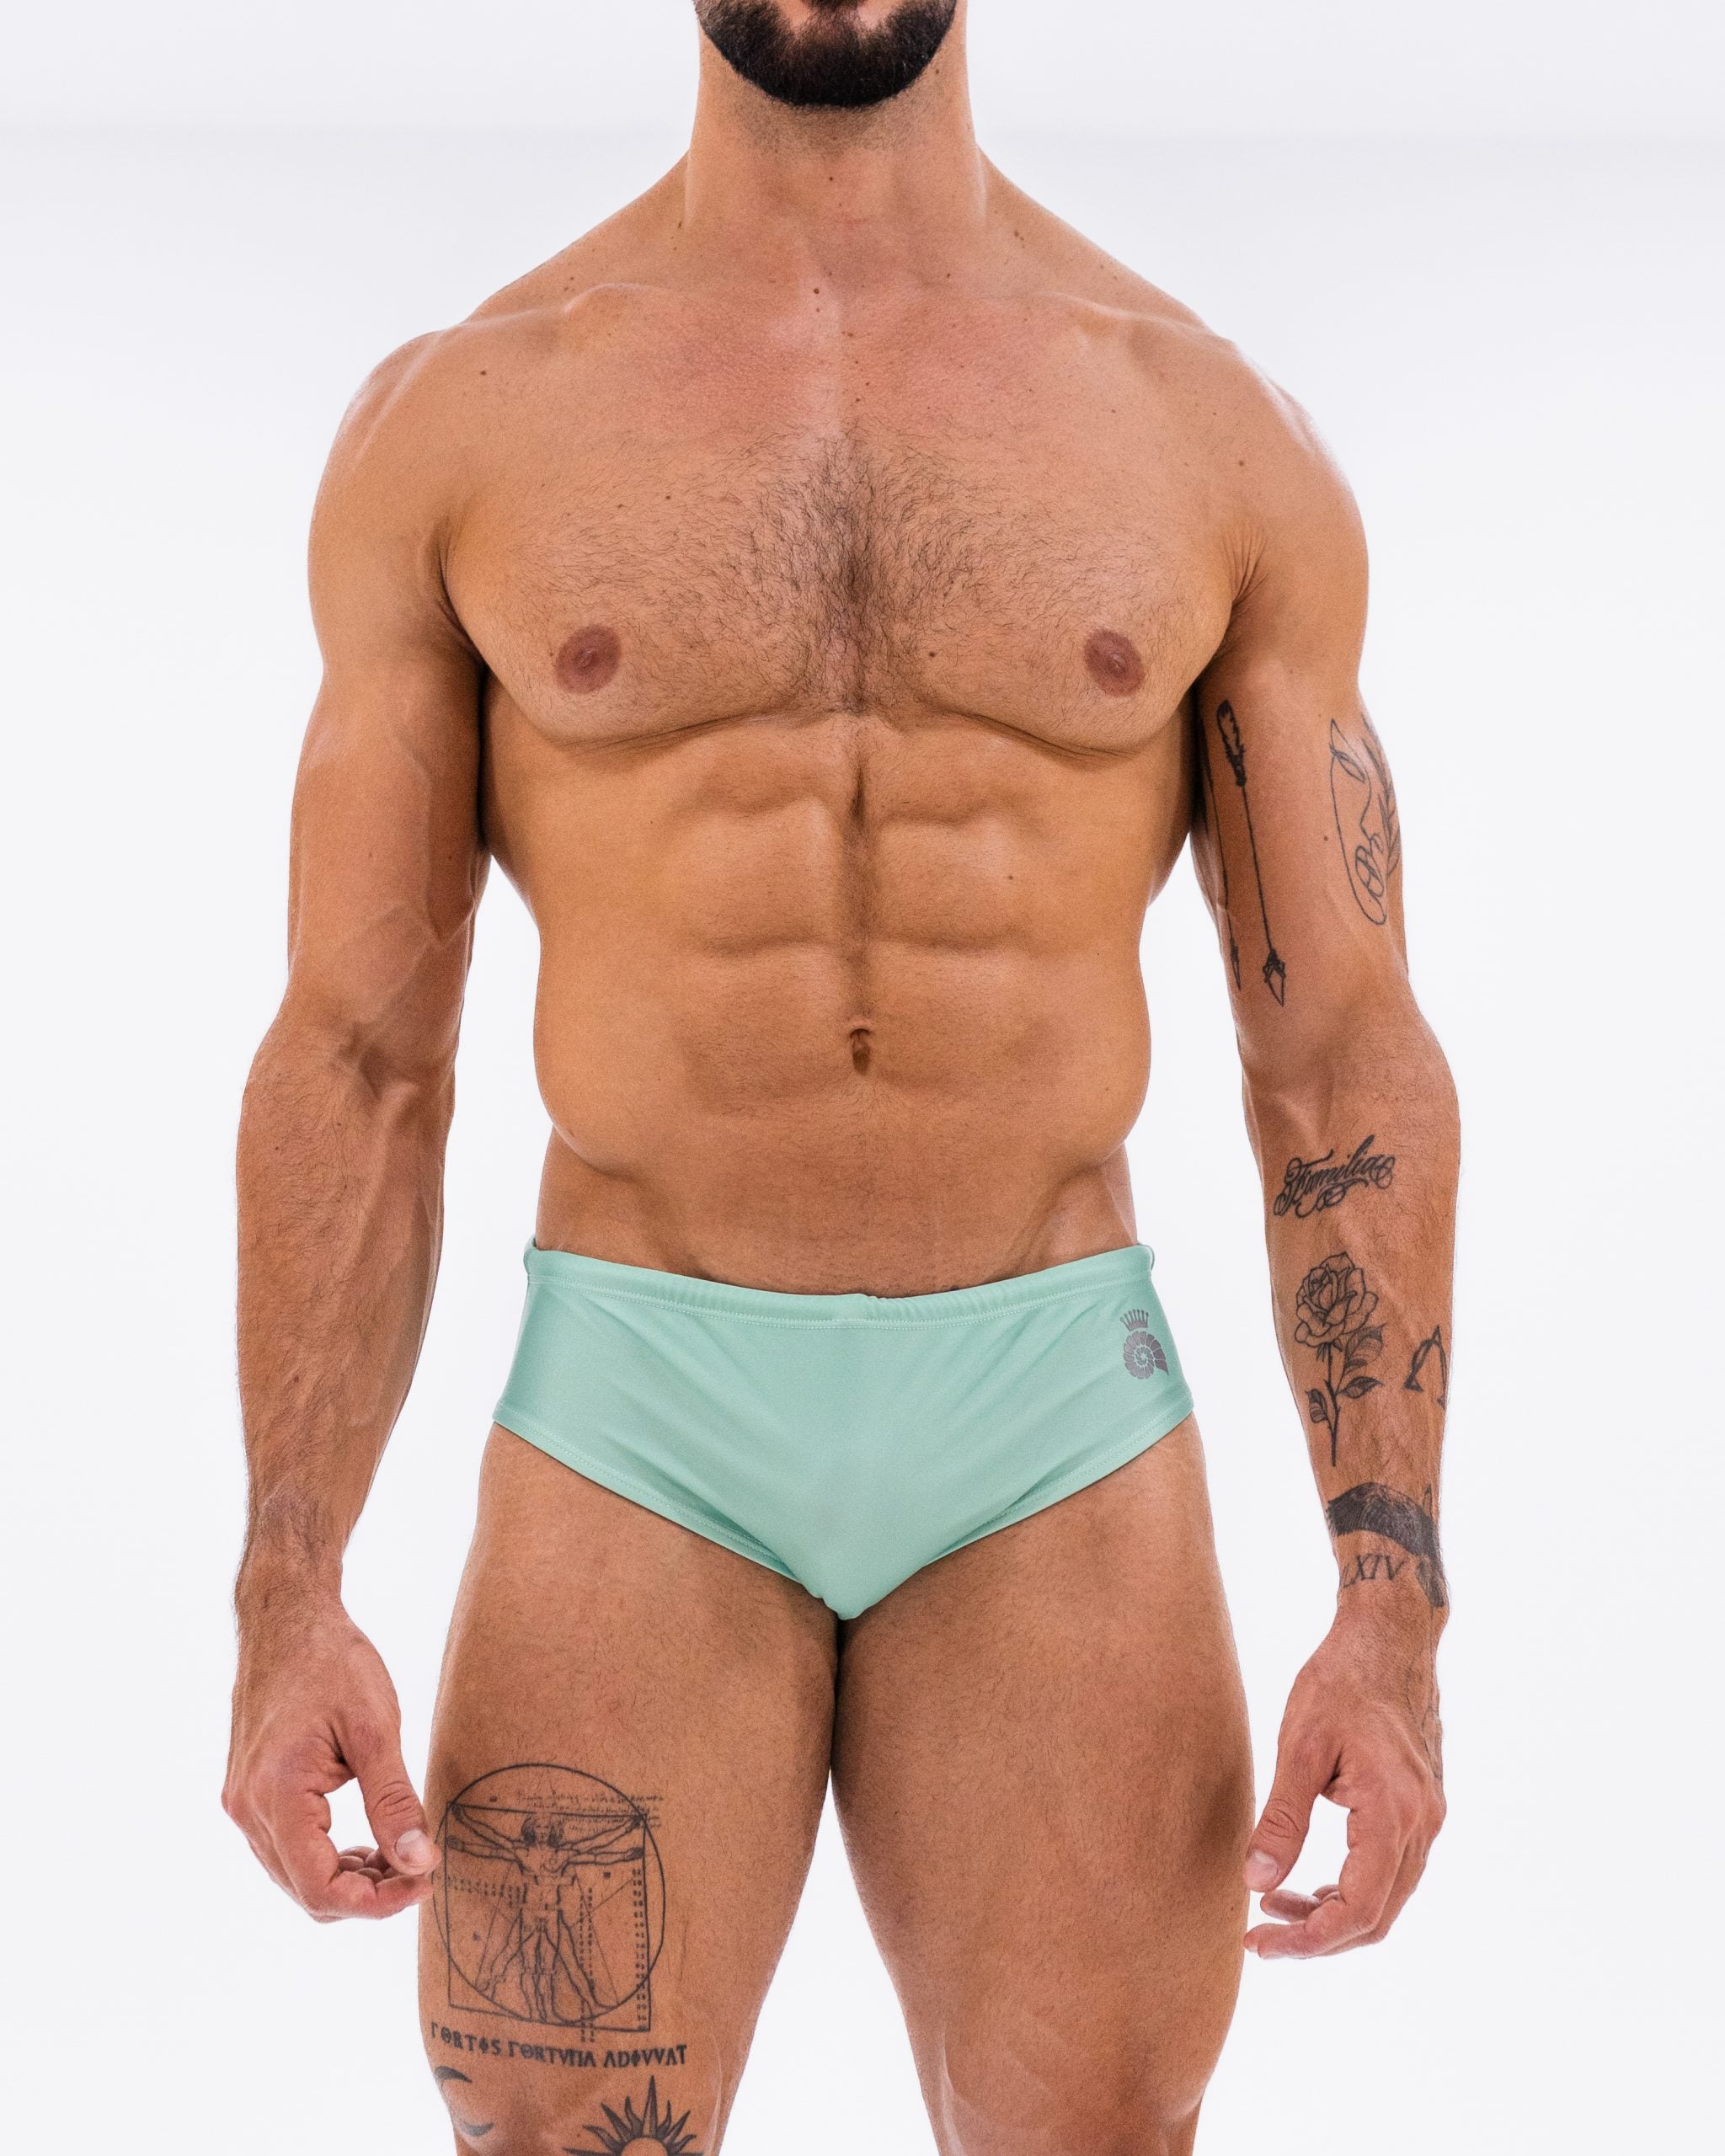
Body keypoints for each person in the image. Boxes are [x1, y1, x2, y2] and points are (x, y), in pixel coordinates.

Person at [222, 5, 1459, 2150]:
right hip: (642, 1397)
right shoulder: (468, 423)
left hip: (1048, 1407)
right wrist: (283, 1587)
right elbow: (359, 1047)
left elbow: (1335, 1045)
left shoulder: (1202, 434)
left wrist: (1391, 1606)